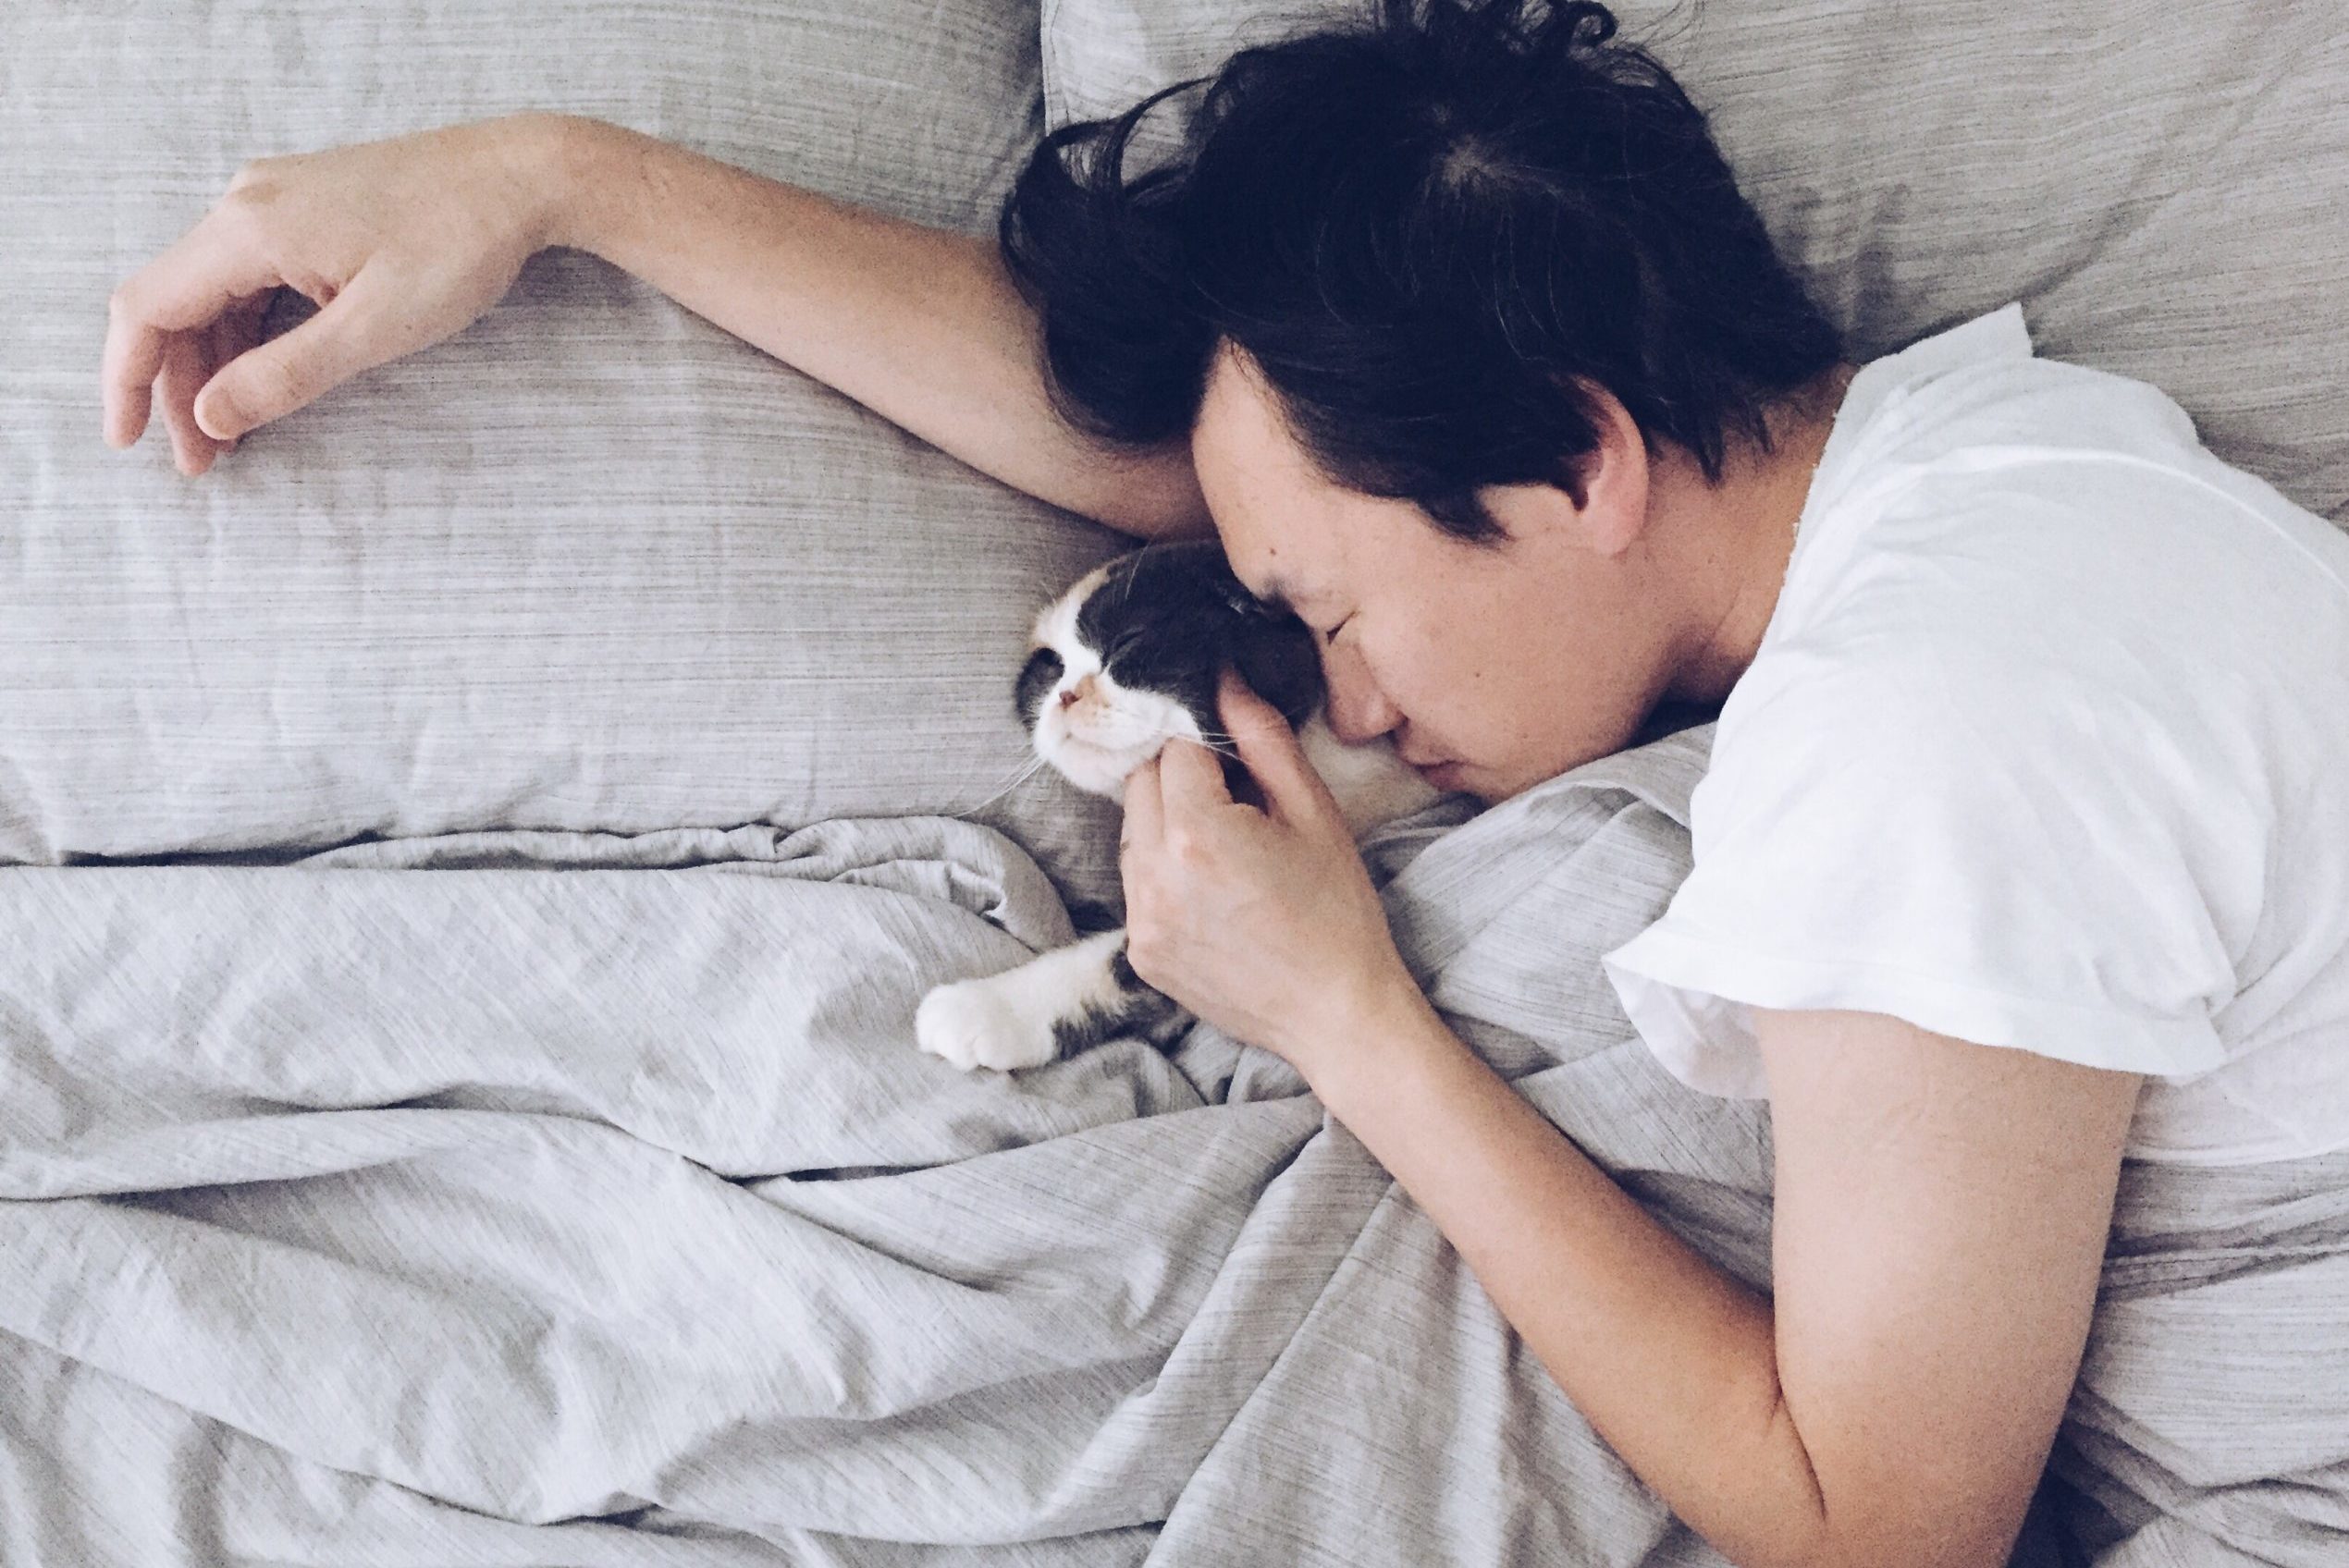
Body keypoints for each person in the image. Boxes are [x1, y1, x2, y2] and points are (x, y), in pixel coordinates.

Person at [98, 2, 2349, 1564]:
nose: (1328, 687)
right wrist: (560, 183)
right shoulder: (1985, 456)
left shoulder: (1929, 732)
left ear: (1578, 457)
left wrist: (1346, 1018)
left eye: (1328, 617)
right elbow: (1204, 462)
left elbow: (1881, 1524)